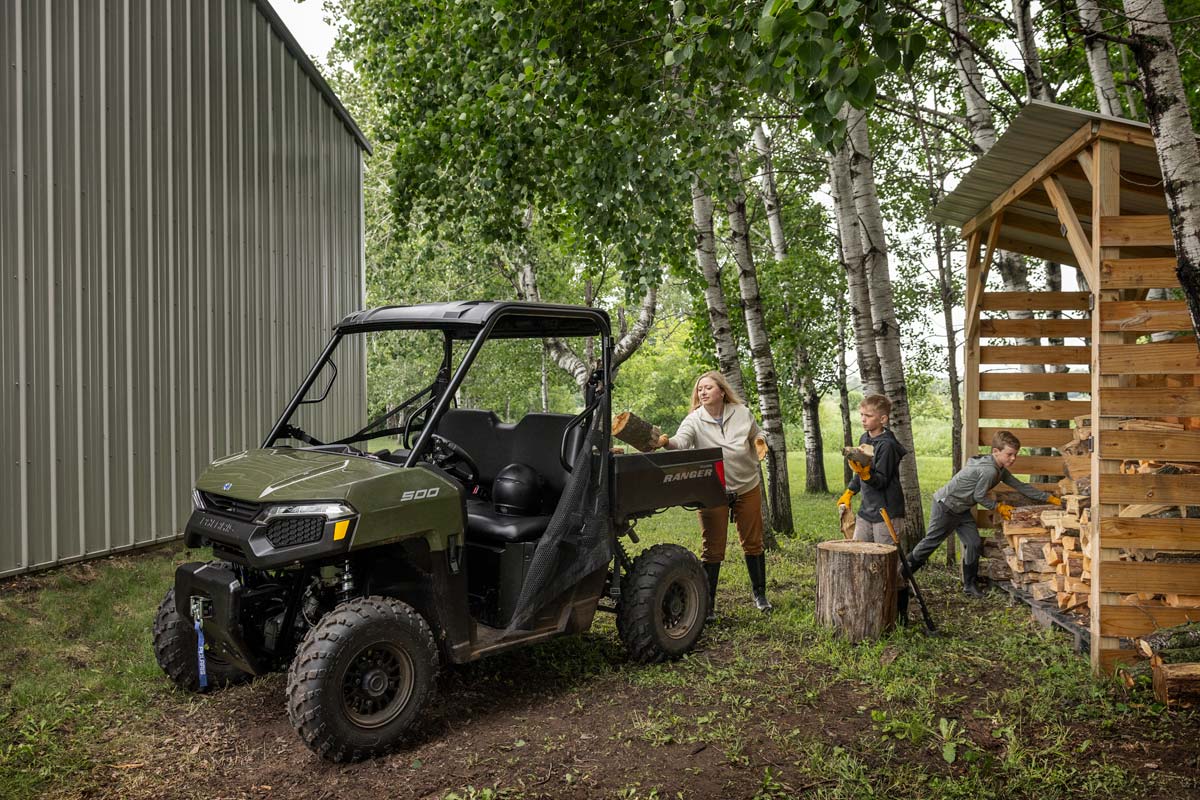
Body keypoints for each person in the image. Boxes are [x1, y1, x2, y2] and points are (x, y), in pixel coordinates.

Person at [658, 370, 770, 620]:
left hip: (747, 485)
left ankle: (760, 596)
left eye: (708, 387)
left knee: (753, 542)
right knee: (713, 549)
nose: (703, 392)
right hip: (713, 490)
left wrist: (760, 441)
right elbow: (680, 442)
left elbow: (757, 433)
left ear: (721, 391)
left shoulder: (741, 412)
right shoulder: (694, 419)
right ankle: (707, 606)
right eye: (699, 389)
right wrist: (666, 443)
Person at [907, 429, 1062, 597]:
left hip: (962, 509)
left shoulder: (999, 469)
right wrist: (998, 507)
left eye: (1015, 454)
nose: (1013, 458)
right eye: (1009, 454)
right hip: (946, 506)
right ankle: (901, 576)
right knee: (930, 543)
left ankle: (969, 585)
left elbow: (1020, 486)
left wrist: (1049, 498)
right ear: (996, 451)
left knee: (973, 543)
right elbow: (979, 496)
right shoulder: (989, 470)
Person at [836, 394, 910, 623]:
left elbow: (881, 481)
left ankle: (899, 615)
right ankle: (867, 608)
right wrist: (850, 492)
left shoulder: (887, 445)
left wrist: (867, 474)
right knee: (859, 558)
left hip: (886, 513)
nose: (863, 419)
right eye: (861, 415)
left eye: (868, 416)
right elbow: (860, 472)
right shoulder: (864, 438)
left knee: (888, 566)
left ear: (883, 419)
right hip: (866, 512)